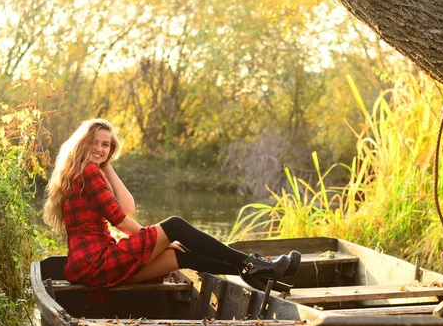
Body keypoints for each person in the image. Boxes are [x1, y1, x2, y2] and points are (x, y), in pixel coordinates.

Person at [43, 118, 300, 291]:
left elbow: (127, 207)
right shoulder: (88, 172)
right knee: (175, 226)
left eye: (106, 145)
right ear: (82, 143)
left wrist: (106, 163)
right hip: (97, 263)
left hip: (87, 269)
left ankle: (254, 272)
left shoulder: (81, 172)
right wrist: (156, 237)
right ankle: (251, 263)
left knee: (178, 256)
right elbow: (120, 219)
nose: (100, 149)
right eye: (95, 143)